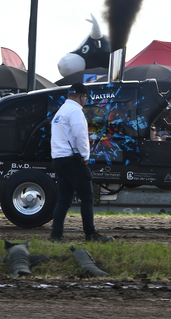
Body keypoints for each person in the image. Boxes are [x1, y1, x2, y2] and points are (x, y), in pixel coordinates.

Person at [50, 83, 113, 243]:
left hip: (58, 159)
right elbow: (80, 135)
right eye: (85, 97)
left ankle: (56, 235)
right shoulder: (75, 111)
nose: (85, 100)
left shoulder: (61, 111)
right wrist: (85, 155)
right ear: (81, 97)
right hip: (72, 160)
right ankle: (90, 234)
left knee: (63, 200)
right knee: (87, 197)